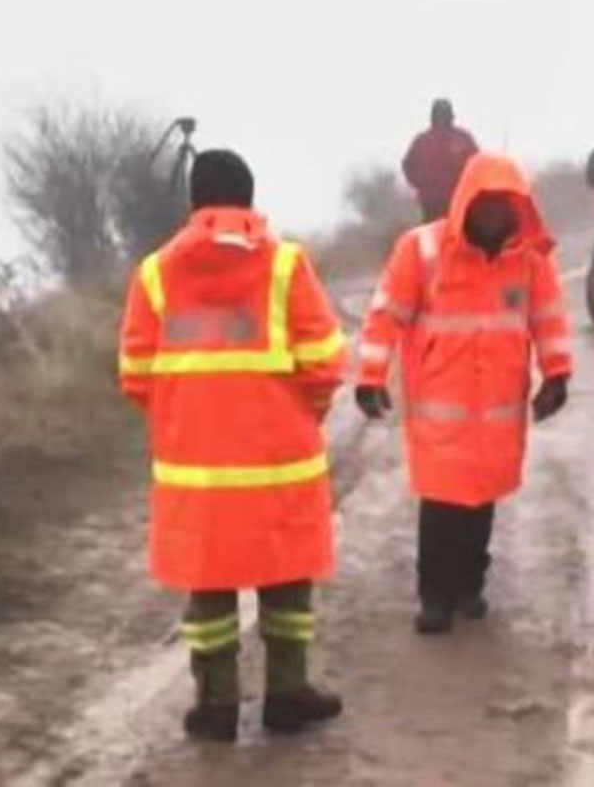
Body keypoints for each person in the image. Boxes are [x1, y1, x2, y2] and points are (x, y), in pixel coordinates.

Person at [118, 150, 350, 744]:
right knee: (287, 581)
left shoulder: (153, 274)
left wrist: (185, 420)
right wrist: (306, 414)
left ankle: (216, 705)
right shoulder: (285, 264)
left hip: (196, 471)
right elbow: (325, 363)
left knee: (210, 589)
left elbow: (136, 374)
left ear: (194, 202)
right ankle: (287, 692)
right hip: (280, 465)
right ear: (249, 199)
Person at [354, 153, 573, 635]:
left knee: (482, 497)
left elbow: (548, 319)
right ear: (467, 202)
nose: (496, 214)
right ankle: (435, 596)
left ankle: (471, 585)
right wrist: (370, 376)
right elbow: (385, 315)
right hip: (441, 400)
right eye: (488, 203)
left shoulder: (529, 260)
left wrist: (557, 374)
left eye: (506, 204)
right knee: (441, 503)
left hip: (498, 404)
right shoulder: (421, 250)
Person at [400, 99, 480, 223]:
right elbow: (408, 165)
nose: (442, 118)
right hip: (434, 202)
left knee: (447, 235)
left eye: (444, 114)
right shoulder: (423, 141)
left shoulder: (462, 139)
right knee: (437, 236)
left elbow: (477, 164)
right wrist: (422, 185)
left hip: (455, 200)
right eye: (440, 114)